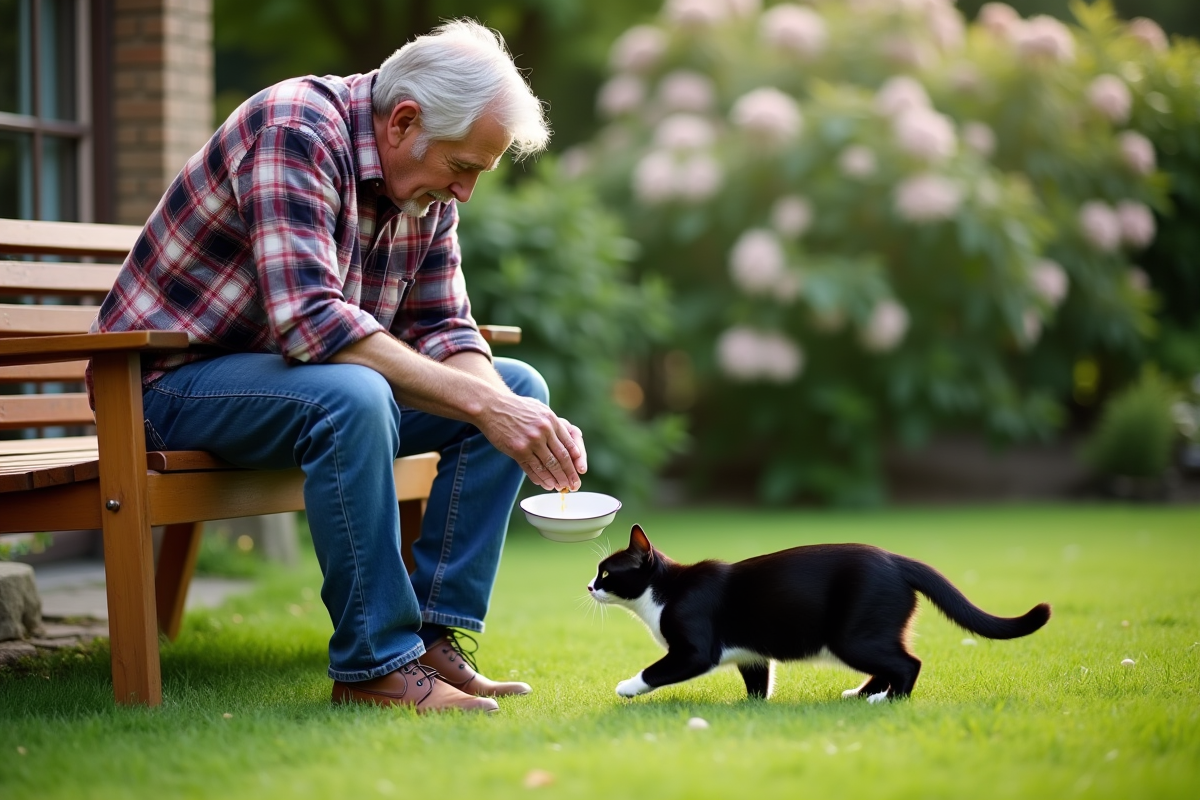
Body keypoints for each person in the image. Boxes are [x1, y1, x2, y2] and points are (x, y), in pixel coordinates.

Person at [89, 20, 586, 714]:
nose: (466, 192)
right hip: (165, 388)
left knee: (517, 386)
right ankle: (373, 667)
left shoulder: (423, 190)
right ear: (404, 121)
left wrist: (504, 405)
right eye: (464, 167)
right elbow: (311, 320)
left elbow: (445, 325)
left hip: (288, 385)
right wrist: (482, 404)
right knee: (354, 394)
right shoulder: (293, 127)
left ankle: (430, 640)